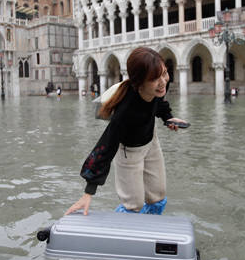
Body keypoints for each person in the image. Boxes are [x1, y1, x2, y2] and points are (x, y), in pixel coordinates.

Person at [65, 47, 188, 216]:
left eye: (164, 73)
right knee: (133, 205)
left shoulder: (155, 90)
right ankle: (125, 231)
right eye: (154, 78)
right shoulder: (126, 111)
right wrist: (89, 192)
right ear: (139, 82)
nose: (163, 81)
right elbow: (106, 147)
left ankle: (150, 227)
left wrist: (168, 118)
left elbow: (158, 103)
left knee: (158, 196)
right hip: (128, 153)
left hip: (151, 141)